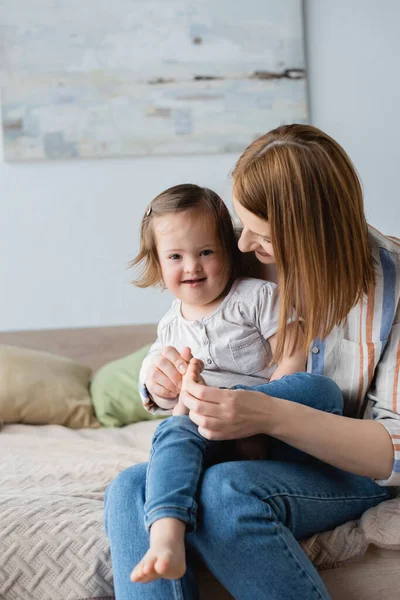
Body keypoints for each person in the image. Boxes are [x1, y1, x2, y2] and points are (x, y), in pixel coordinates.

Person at [104, 124, 400, 600]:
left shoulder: (394, 288)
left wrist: (265, 411)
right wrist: (156, 377)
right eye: (243, 228)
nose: (242, 246)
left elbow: (397, 449)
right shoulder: (225, 251)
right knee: (128, 490)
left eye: (260, 235)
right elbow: (189, 336)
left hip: (342, 467)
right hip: (239, 443)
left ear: (312, 232)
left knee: (226, 492)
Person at [126, 184, 343, 584]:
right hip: (207, 429)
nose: (192, 266)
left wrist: (260, 409)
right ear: (158, 263)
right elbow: (162, 382)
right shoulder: (170, 325)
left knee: (304, 390)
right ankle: (166, 536)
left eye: (205, 252)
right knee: (174, 433)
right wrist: (168, 385)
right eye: (175, 256)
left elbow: (293, 356)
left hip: (264, 420)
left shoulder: (256, 296)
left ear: (227, 250)